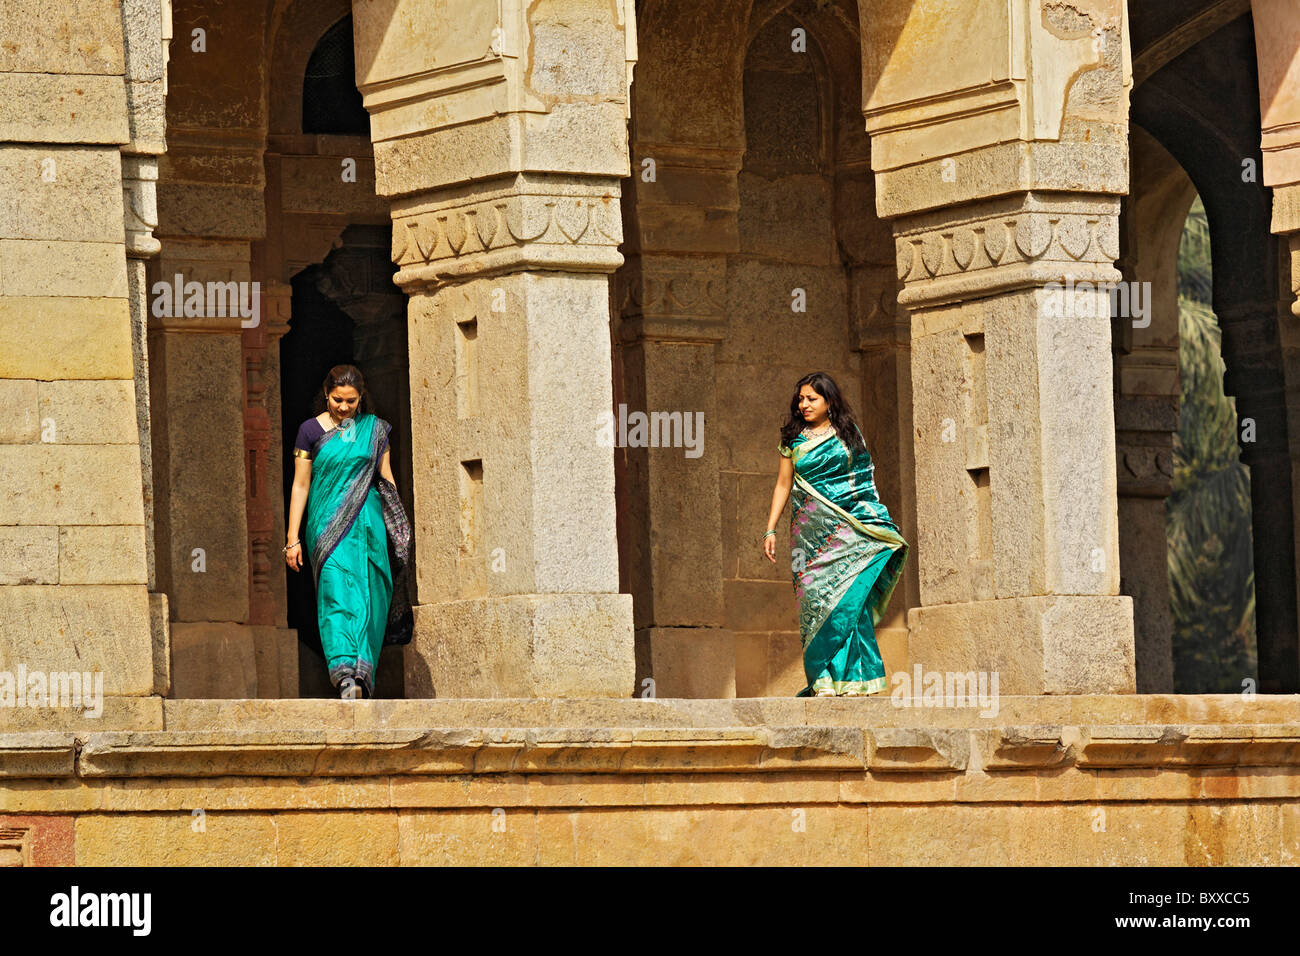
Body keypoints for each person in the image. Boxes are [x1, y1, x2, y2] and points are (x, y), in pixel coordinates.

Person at [762, 371, 908, 697]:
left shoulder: (847, 434)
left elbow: (860, 483)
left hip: (847, 531)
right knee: (815, 605)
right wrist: (769, 528)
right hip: (808, 537)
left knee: (848, 603)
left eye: (811, 398)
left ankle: (854, 679)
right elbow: (784, 484)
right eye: (800, 399)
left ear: (829, 401)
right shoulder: (793, 439)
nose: (804, 405)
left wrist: (874, 520)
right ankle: (823, 681)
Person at [285, 365, 412, 699]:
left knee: (370, 595)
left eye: (351, 401)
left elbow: (386, 480)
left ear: (361, 399)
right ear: (326, 394)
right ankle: (343, 673)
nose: (343, 407)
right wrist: (292, 538)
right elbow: (301, 485)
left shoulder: (375, 430)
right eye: (337, 399)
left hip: (368, 524)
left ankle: (362, 675)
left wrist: (395, 528)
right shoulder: (309, 432)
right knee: (336, 594)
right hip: (327, 529)